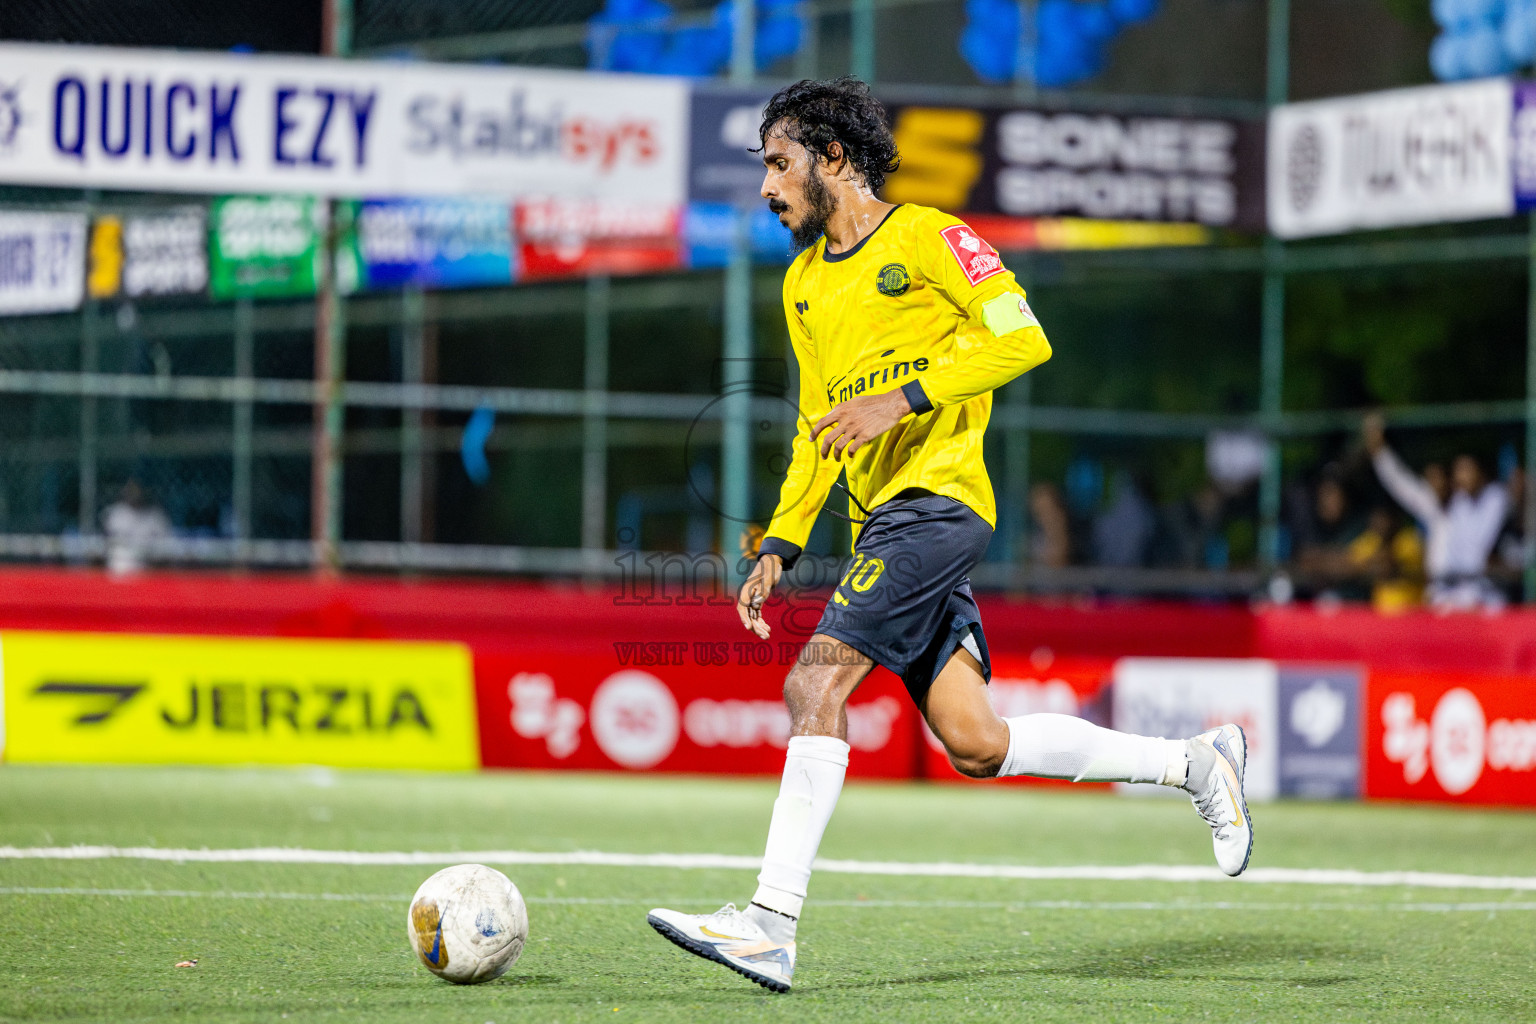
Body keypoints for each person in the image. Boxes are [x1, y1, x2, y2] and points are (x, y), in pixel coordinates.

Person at [646, 78, 1253, 995]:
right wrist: (779, 542)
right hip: (879, 522)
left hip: (938, 505)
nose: (767, 188)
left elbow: (1023, 337)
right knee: (976, 742)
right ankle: (1195, 763)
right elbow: (821, 427)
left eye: (778, 164)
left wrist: (907, 396)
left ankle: (770, 923)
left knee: (814, 681)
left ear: (833, 158)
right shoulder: (803, 284)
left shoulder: (930, 237)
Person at [1362, 414, 1506, 610]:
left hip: (1477, 600)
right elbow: (1403, 486)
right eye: (1430, 481)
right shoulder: (1436, 510)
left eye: (1438, 479)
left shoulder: (1484, 502)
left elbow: (1478, 557)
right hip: (1442, 601)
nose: (1434, 487)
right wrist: (1380, 453)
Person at [101, 478, 172, 576]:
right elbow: (105, 546)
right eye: (130, 489)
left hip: (148, 569)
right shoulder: (115, 514)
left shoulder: (155, 517)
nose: (133, 493)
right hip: (121, 571)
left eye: (137, 489)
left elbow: (166, 550)